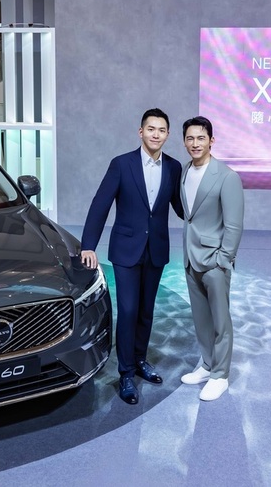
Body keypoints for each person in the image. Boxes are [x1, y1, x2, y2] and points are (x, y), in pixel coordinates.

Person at [80, 108, 184, 405]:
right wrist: (88, 245)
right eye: (151, 129)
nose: (155, 134)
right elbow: (100, 204)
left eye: (161, 130)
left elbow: (181, 207)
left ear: (167, 135)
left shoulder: (174, 167)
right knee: (127, 311)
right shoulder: (121, 164)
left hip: (156, 249)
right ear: (141, 132)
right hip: (126, 249)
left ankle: (140, 360)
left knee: (146, 311)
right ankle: (125, 372)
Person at [179, 115, 244, 401]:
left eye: (201, 138)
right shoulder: (184, 171)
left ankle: (220, 375)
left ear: (211, 141)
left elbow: (234, 225)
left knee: (220, 321)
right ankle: (207, 365)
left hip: (214, 261)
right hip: (190, 257)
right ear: (185, 142)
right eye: (190, 138)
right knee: (201, 319)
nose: (195, 143)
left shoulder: (227, 177)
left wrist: (223, 259)